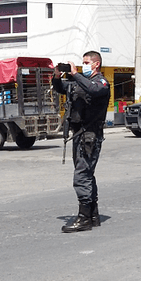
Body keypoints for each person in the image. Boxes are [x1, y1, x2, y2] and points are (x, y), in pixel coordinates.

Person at [52, 51, 111, 232]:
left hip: (90, 136)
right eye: (82, 62)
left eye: (86, 62)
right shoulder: (78, 82)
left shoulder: (101, 82)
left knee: (81, 176)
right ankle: (93, 215)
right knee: (87, 175)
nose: (83, 65)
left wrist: (76, 73)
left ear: (96, 65)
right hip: (78, 134)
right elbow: (62, 88)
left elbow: (93, 89)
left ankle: (84, 218)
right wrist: (56, 76)